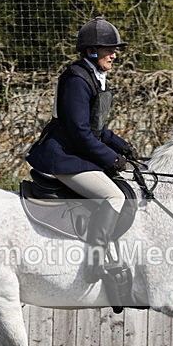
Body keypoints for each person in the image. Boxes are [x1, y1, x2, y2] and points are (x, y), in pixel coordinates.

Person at [26, 17, 138, 284]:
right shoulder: (77, 79)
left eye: (115, 49)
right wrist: (112, 158)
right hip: (64, 158)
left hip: (76, 152)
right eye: (109, 49)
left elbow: (95, 127)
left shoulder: (92, 75)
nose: (115, 54)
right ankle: (95, 261)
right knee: (113, 196)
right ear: (91, 51)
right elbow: (79, 133)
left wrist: (123, 146)